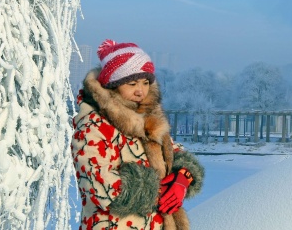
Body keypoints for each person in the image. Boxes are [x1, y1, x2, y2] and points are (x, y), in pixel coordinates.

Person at [72, 40, 204, 230]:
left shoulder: (149, 120)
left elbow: (174, 153)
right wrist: (159, 190)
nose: (140, 91)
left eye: (145, 82)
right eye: (132, 83)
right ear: (112, 85)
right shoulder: (94, 125)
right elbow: (99, 187)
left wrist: (183, 177)